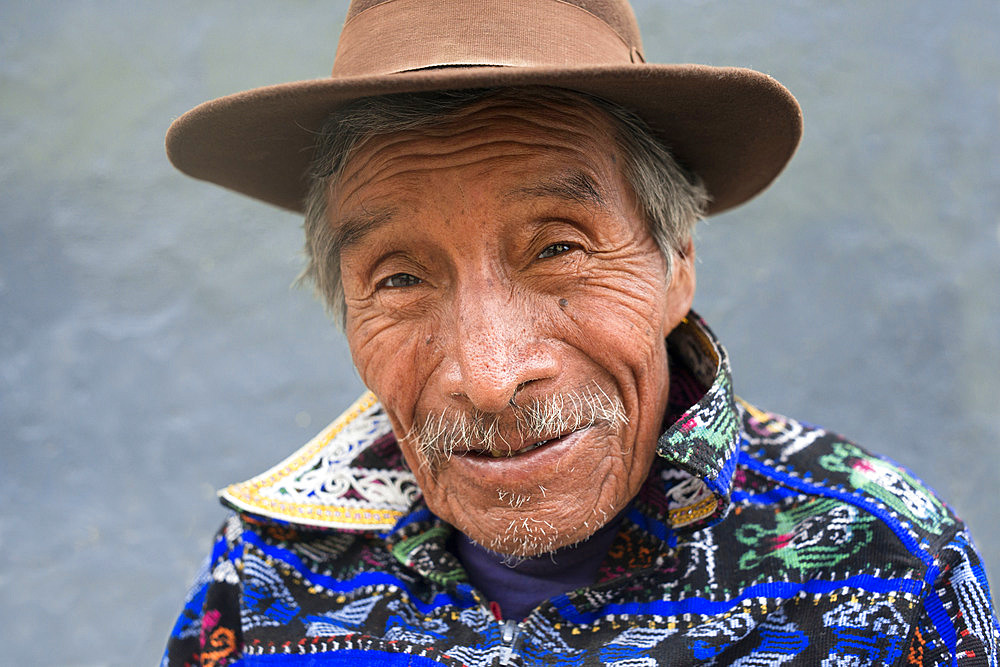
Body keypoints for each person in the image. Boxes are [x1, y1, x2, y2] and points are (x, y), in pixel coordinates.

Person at [162, 1, 998, 664]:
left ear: (675, 265)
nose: (489, 376)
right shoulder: (266, 568)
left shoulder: (884, 565)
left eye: (558, 248)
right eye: (401, 277)